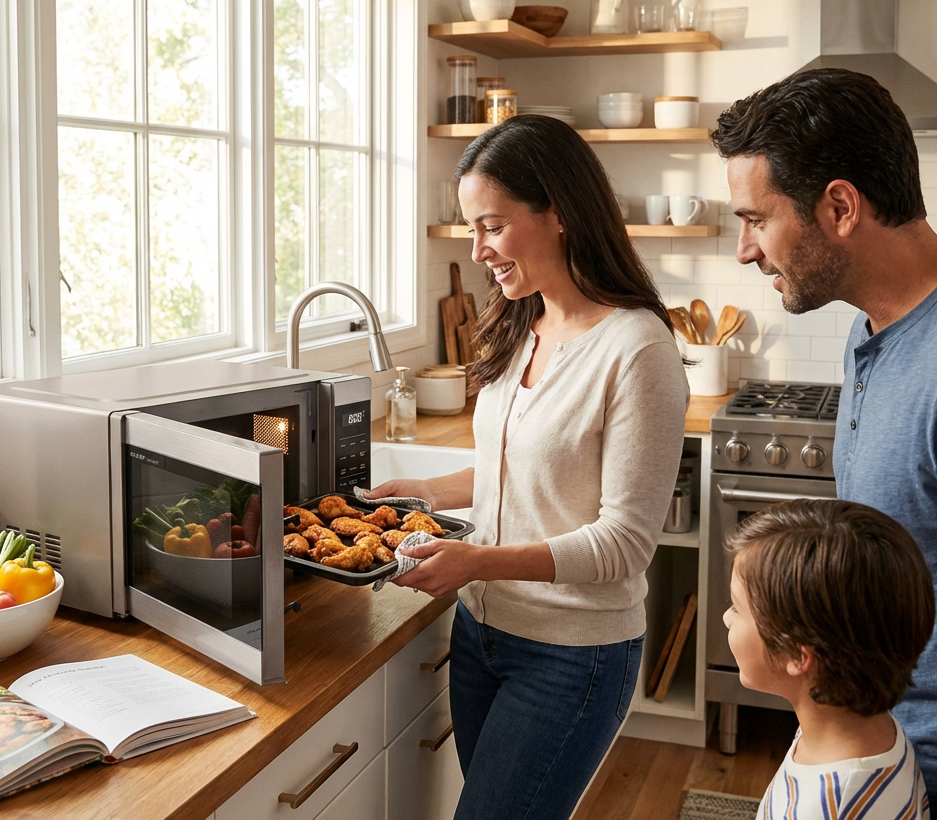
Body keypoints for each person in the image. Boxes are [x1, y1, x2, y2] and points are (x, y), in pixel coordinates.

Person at [364, 114, 689, 820]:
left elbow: (623, 543)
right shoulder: (519, 323)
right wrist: (424, 490)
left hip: (572, 654)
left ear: (561, 213)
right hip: (482, 636)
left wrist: (474, 562)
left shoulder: (637, 350)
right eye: (472, 229)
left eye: (493, 226)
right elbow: (515, 472)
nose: (478, 249)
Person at [711, 67, 937, 798]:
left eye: (755, 218)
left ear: (839, 205)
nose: (745, 249)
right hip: (873, 748)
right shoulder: (871, 329)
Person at [723, 498, 934, 819]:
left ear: (797, 654)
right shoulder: (872, 728)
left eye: (738, 608)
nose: (727, 617)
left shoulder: (827, 807)